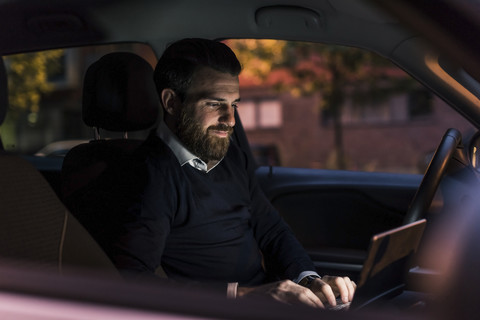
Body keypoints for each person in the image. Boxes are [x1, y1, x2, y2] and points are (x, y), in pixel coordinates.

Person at [110, 38, 356, 308]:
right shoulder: (150, 175)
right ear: (171, 102)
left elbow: (272, 231)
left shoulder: (232, 158)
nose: (230, 120)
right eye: (215, 104)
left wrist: (309, 281)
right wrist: (244, 295)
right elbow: (133, 280)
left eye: (234, 104)